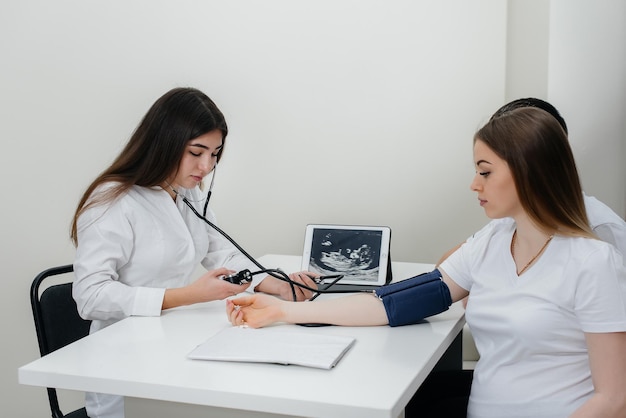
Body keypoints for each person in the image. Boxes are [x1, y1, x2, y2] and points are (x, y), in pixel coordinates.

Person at [226, 107, 626, 417]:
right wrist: (283, 310)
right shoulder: (493, 241)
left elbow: (614, 400)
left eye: (485, 172)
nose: (474, 184)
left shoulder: (593, 262)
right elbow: (394, 302)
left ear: (529, 173)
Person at [70, 87, 318, 418]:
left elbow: (222, 255)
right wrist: (188, 295)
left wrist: (273, 283)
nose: (207, 166)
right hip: (125, 370)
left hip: (173, 347)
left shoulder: (186, 193)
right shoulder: (113, 201)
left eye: (214, 154)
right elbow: (89, 297)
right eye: (196, 152)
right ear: (165, 142)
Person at [437, 97, 626, 266]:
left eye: (486, 172)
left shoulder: (602, 232)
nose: (475, 185)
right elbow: (448, 268)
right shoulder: (509, 221)